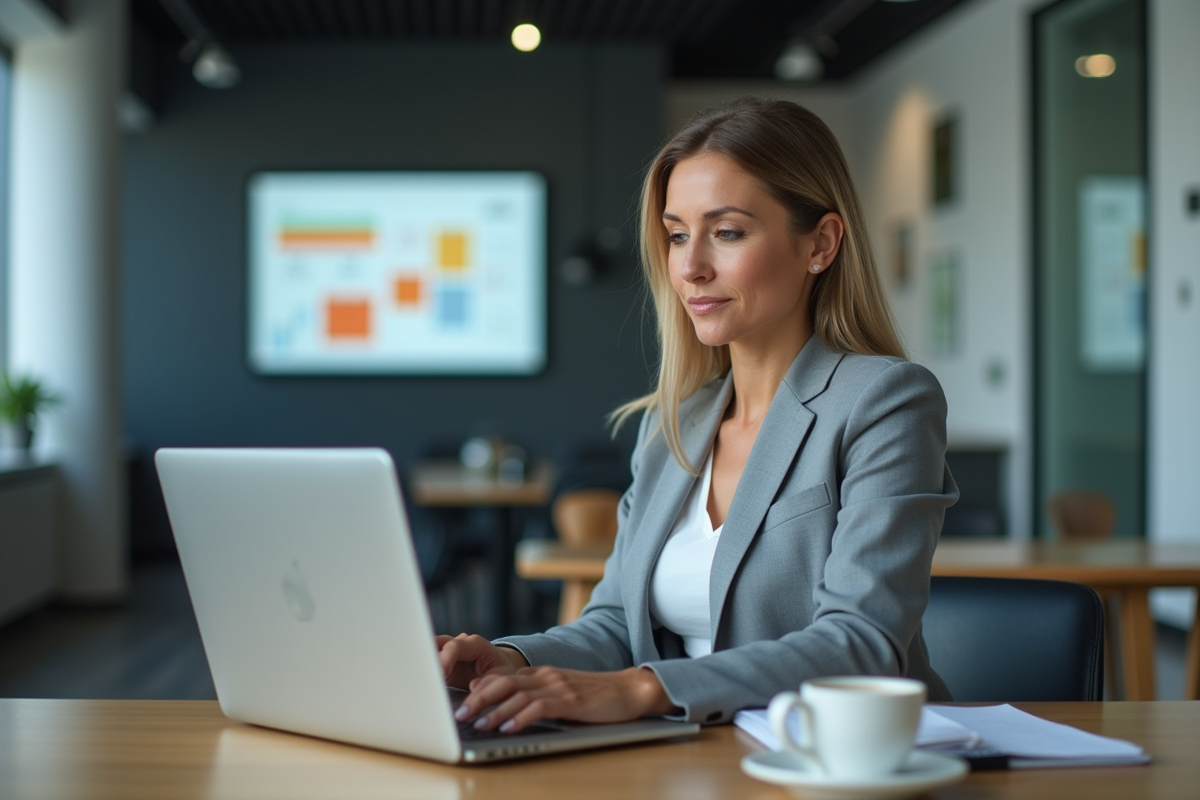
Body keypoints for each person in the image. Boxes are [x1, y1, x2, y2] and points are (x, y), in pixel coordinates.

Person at [438, 97, 958, 734]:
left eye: (728, 232)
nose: (689, 267)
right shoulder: (672, 428)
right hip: (700, 759)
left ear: (820, 244)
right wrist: (512, 658)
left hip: (844, 760)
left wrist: (643, 689)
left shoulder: (884, 400)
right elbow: (613, 624)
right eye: (678, 234)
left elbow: (862, 642)